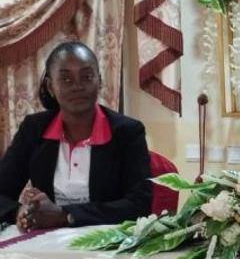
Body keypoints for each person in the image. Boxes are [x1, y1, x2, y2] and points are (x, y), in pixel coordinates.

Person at [0, 41, 152, 231]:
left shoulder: (128, 132)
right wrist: (21, 212)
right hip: (47, 240)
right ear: (50, 86)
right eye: (66, 79)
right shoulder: (34, 129)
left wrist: (65, 215)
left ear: (100, 81)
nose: (78, 86)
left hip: (107, 241)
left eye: (87, 77)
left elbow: (139, 204)